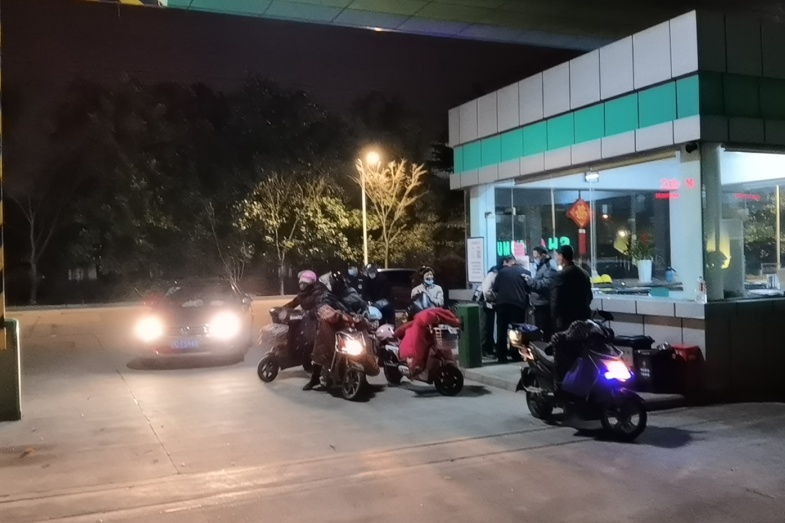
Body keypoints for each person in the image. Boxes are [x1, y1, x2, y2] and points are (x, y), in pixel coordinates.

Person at [303, 272, 363, 391]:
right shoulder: (328, 296)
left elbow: (361, 304)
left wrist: (362, 313)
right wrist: (330, 313)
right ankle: (315, 378)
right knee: (321, 348)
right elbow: (322, 308)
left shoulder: (351, 293)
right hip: (332, 326)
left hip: (349, 325)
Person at [492, 255, 530, 363]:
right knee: (517, 330)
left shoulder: (502, 272)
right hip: (518, 305)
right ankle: (516, 354)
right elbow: (529, 288)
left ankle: (501, 356)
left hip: (502, 304)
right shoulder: (525, 272)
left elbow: (495, 288)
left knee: (501, 330)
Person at [551, 245, 593, 333]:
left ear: (562, 256)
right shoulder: (584, 273)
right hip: (583, 316)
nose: (556, 258)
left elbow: (555, 300)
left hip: (566, 319)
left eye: (557, 255)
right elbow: (589, 296)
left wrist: (555, 318)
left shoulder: (561, 275)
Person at [523, 247, 558, 341]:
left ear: (543, 255)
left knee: (544, 329)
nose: (535, 259)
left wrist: (530, 281)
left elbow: (545, 284)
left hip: (544, 304)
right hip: (539, 303)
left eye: (536, 256)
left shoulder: (550, 267)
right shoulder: (541, 266)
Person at [479, 265, 499, 357]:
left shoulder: (489, 275)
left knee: (487, 326)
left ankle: (488, 349)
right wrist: (494, 297)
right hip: (487, 304)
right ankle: (485, 350)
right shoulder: (493, 275)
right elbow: (487, 291)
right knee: (486, 327)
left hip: (485, 303)